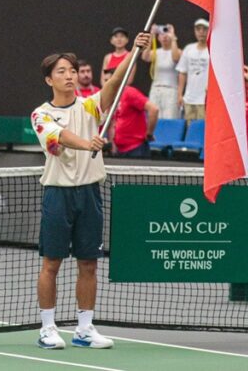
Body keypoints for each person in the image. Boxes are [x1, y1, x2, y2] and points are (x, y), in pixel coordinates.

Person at [29, 32, 150, 350]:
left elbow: (113, 85)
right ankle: (47, 328)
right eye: (61, 72)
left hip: (89, 194)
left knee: (89, 263)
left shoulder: (90, 106)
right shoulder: (41, 114)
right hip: (58, 194)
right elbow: (62, 138)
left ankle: (84, 328)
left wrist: (133, 54)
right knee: (51, 264)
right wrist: (88, 144)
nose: (69, 76)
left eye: (72, 71)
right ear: (49, 80)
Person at [100, 67, 159, 158]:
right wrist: (112, 143)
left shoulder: (129, 93)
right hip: (120, 150)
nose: (107, 84)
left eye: (109, 80)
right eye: (105, 80)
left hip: (136, 148)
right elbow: (112, 123)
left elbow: (154, 109)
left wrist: (149, 133)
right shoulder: (110, 98)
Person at [141, 24, 182, 119]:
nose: (164, 37)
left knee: (170, 118)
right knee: (154, 117)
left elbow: (176, 58)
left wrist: (173, 37)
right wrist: (151, 35)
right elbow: (145, 57)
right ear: (158, 37)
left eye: (167, 34)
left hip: (171, 90)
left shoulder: (178, 51)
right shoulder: (156, 52)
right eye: (161, 34)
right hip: (156, 89)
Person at [176, 18, 210, 121]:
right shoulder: (188, 49)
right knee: (188, 128)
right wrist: (180, 94)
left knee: (203, 129)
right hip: (189, 98)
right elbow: (182, 72)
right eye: (198, 29)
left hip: (205, 100)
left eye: (204, 29)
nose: (201, 32)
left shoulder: (213, 50)